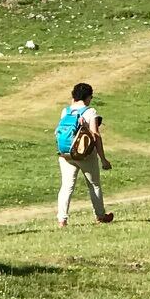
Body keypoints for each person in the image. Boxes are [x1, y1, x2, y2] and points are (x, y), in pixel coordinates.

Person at [55, 83, 114, 227]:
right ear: (88, 97)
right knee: (94, 185)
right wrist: (103, 159)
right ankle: (100, 216)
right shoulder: (90, 112)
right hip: (84, 155)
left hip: (65, 154)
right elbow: (96, 136)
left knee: (67, 186)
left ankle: (62, 219)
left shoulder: (65, 111)